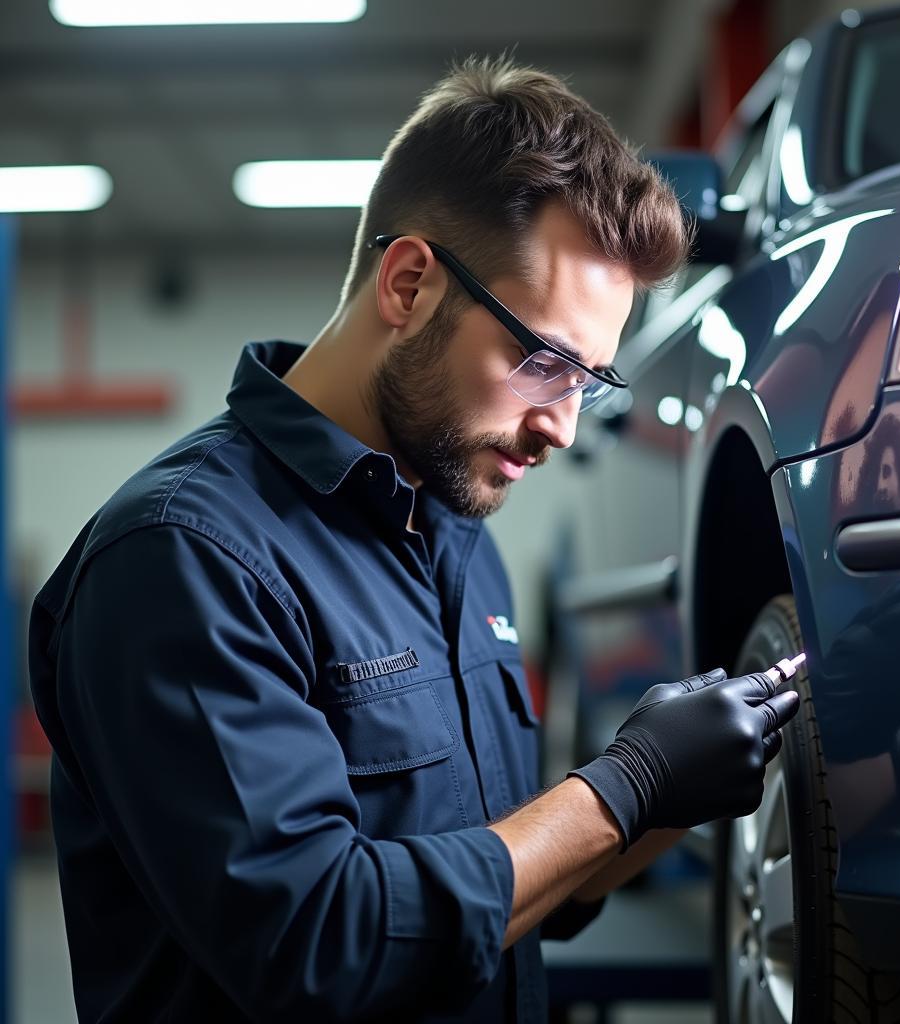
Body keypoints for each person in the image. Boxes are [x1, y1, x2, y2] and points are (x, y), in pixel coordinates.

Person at [28, 57, 799, 1023]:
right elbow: (322, 945)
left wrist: (673, 792)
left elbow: (502, 886)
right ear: (407, 285)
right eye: (544, 362)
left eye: (587, 381)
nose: (562, 426)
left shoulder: (456, 537)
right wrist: (623, 787)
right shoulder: (181, 557)